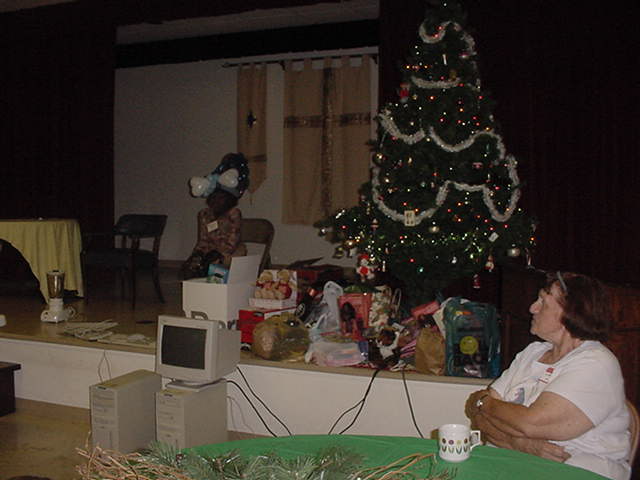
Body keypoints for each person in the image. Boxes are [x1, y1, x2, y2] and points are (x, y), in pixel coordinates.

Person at [465, 271, 631, 480]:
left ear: (570, 312)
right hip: (519, 466)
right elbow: (480, 419)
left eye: (542, 302)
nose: (532, 308)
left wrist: (483, 402)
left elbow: (529, 423)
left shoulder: (596, 364)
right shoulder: (532, 353)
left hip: (576, 473)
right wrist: (521, 444)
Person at [181, 153, 249, 279]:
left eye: (221, 198)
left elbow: (232, 242)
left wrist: (217, 255)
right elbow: (203, 240)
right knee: (192, 267)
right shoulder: (204, 214)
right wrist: (197, 254)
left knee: (217, 265)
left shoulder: (233, 213)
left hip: (231, 253)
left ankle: (217, 282)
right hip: (210, 251)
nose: (218, 201)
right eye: (216, 197)